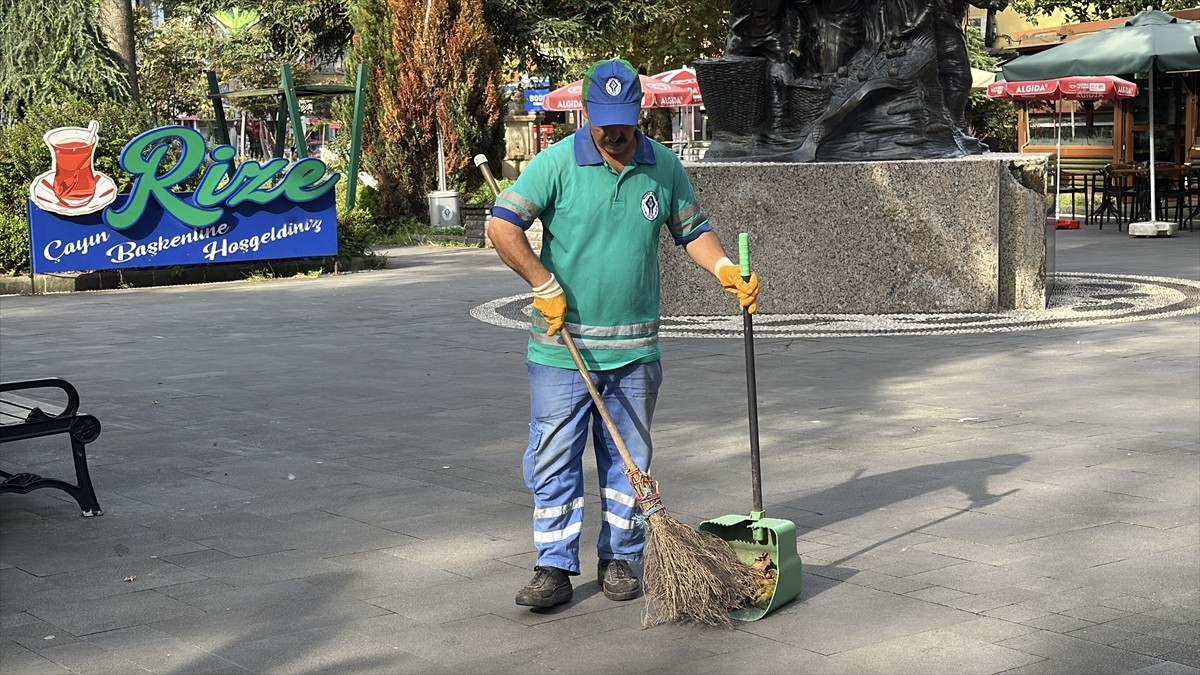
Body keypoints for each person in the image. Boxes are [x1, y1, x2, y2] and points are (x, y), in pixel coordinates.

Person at [487, 58, 761, 609]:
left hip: (635, 353)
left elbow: (692, 230)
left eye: (624, 120)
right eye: (603, 120)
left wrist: (726, 269)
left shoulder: (664, 166)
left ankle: (620, 557)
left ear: (639, 113)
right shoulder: (556, 162)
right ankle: (553, 566)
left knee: (628, 462)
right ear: (587, 111)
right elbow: (501, 225)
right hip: (562, 351)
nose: (613, 132)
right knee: (554, 458)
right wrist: (542, 284)